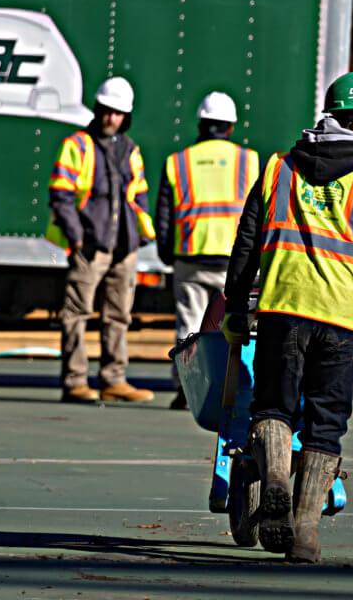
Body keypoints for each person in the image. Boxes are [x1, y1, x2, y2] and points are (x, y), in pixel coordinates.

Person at [222, 70, 353, 562]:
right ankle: (305, 533)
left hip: (283, 309)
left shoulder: (279, 168)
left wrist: (236, 309)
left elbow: (246, 246)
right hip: (346, 320)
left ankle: (277, 478)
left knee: (272, 407)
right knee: (326, 423)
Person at [46, 76, 156, 404]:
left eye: (118, 113)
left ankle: (113, 379)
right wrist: (78, 238)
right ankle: (75, 381)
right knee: (76, 314)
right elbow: (60, 194)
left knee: (119, 314)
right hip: (90, 247)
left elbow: (140, 195)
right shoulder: (77, 145)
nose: (112, 118)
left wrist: (137, 236)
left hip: (124, 248)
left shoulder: (130, 149)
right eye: (107, 111)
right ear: (98, 110)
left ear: (126, 116)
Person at [156, 92, 259, 411]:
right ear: (229, 127)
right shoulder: (250, 160)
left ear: (201, 124)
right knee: (238, 324)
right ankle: (240, 388)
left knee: (189, 326)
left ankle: (187, 389)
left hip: (191, 255)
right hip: (235, 261)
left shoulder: (179, 161)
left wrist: (166, 252)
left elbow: (164, 215)